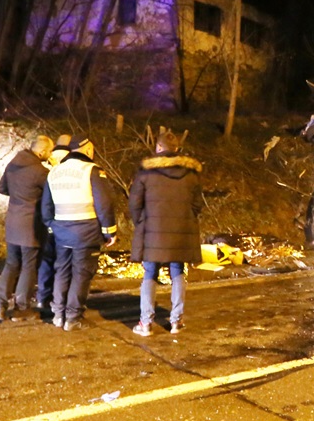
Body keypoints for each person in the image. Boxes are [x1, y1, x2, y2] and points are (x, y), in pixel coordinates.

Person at [129, 131, 203, 336]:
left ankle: (145, 323)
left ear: (158, 148)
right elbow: (197, 204)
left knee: (150, 273)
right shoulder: (190, 173)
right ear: (177, 149)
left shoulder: (146, 173)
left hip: (153, 232)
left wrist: (142, 223)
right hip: (181, 231)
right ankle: (176, 321)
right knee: (178, 272)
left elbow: (134, 204)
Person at [40, 136, 117, 331]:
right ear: (86, 150)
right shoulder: (92, 171)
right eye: (91, 148)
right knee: (81, 274)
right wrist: (109, 231)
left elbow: (46, 206)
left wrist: (52, 226)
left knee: (62, 271)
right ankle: (73, 317)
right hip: (86, 232)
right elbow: (104, 203)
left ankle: (58, 314)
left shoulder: (54, 172)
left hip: (61, 233)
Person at [0, 135, 54, 323]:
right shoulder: (40, 172)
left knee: (11, 264)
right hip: (31, 226)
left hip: (12, 222)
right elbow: (51, 196)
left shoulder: (13, 164)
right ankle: (21, 308)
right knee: (28, 265)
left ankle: (0, 307)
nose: (50, 154)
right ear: (42, 152)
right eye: (49, 151)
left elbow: (2, 189)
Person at [35, 134, 72, 312]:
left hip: (44, 218)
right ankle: (60, 301)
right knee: (63, 263)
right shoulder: (71, 162)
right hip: (64, 219)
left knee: (46, 259)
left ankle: (42, 297)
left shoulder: (43, 162)